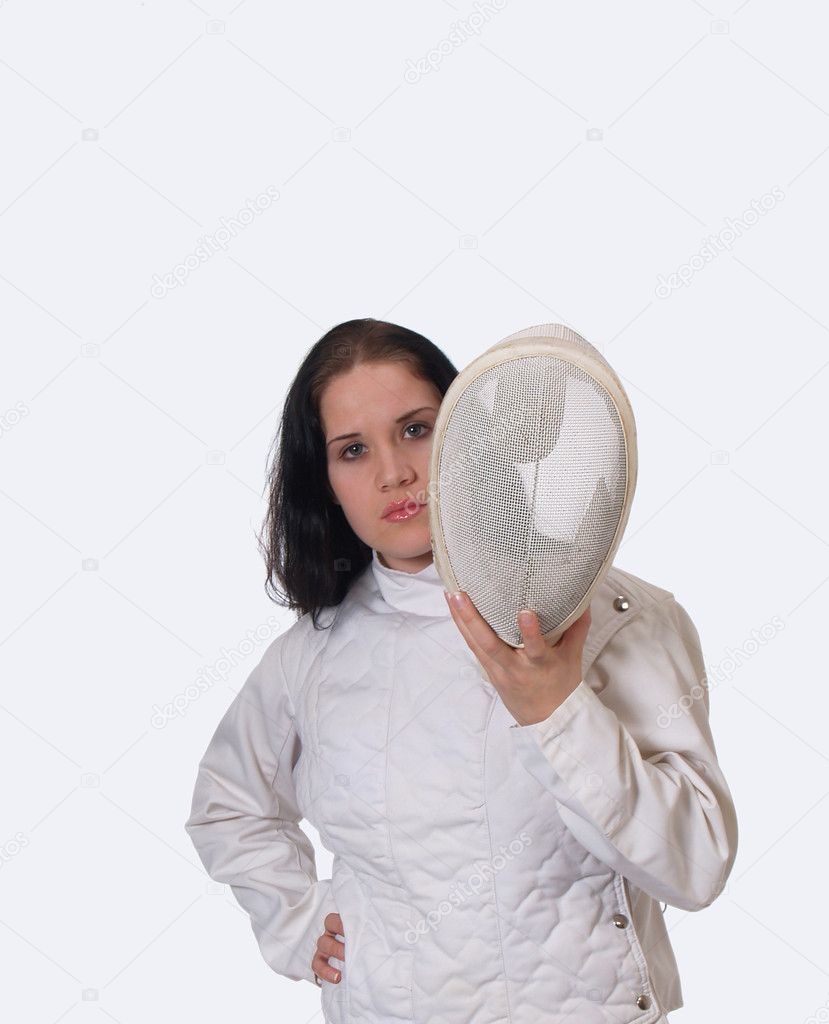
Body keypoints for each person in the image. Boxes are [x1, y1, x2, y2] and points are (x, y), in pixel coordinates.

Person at [184, 317, 738, 1024]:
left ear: (468, 435)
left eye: (415, 429)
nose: (394, 473)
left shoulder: (620, 616)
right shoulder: (307, 658)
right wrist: (298, 926)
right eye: (353, 450)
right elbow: (228, 807)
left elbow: (694, 869)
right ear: (323, 481)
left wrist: (557, 708)